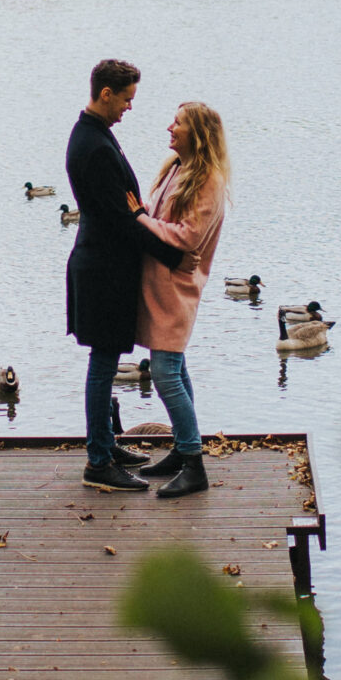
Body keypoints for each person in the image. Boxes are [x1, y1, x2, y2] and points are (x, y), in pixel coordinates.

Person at [65, 58, 187, 492]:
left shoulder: (95, 136)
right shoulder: (94, 146)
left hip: (104, 265)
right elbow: (121, 217)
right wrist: (172, 253)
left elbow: (129, 204)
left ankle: (106, 444)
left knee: (106, 361)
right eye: (127, 99)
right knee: (103, 366)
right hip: (103, 271)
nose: (129, 108)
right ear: (106, 94)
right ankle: (98, 463)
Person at [127, 102, 229, 499]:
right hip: (158, 281)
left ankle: (194, 464)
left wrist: (138, 217)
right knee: (174, 366)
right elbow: (160, 217)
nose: (170, 127)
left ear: (197, 133)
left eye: (179, 123)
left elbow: (187, 236)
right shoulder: (175, 168)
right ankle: (182, 448)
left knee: (165, 371)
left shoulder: (209, 180)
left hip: (176, 285)